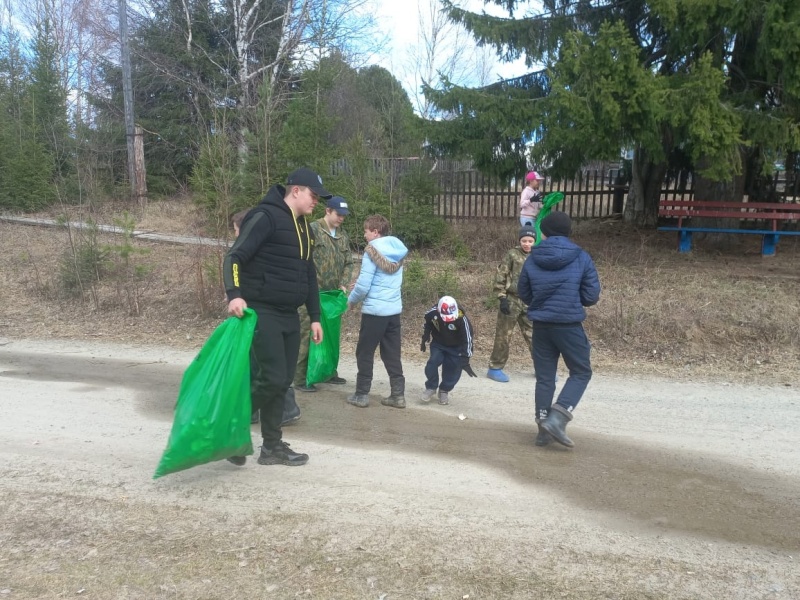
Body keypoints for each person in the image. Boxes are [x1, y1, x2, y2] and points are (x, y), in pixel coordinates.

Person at [222, 167, 331, 467]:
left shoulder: (305, 228)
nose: (316, 203)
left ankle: (271, 447)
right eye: (313, 195)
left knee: (282, 382)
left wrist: (316, 316)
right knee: (270, 377)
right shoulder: (264, 217)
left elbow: (308, 274)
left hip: (289, 315)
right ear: (296, 190)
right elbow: (234, 256)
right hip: (262, 311)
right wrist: (235, 294)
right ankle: (232, 426)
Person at [517, 211, 601, 449]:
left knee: (545, 379)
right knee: (581, 372)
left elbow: (524, 292)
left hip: (541, 326)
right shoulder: (581, 257)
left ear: (543, 232)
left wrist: (541, 303)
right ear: (568, 232)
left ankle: (543, 431)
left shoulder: (533, 257)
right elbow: (591, 295)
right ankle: (557, 418)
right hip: (569, 325)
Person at [346, 214, 408, 409]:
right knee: (391, 354)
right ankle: (398, 396)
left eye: (366, 231)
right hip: (393, 311)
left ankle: (361, 394)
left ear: (375, 232)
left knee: (364, 352)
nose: (364, 235)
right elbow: (383, 281)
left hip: (374, 313)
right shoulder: (397, 250)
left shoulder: (371, 251)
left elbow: (364, 286)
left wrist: (351, 301)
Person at [294, 196, 355, 392]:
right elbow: (302, 259)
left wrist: (344, 284)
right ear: (328, 211)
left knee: (330, 335)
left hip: (332, 297)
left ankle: (328, 372)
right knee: (306, 334)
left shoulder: (342, 235)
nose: (341, 219)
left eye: (344, 216)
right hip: (312, 294)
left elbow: (349, 262)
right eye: (338, 214)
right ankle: (300, 378)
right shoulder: (312, 230)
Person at [487, 226, 536, 383]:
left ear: (535, 241)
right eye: (524, 241)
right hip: (511, 300)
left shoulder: (538, 255)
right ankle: (495, 368)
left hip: (530, 302)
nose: (527, 244)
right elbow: (501, 275)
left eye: (530, 241)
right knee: (503, 335)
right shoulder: (512, 255)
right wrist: (502, 298)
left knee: (535, 336)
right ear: (519, 241)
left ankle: (542, 368)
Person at [420, 296, 477, 406]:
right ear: (439, 310)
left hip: (456, 348)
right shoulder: (432, 313)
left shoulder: (462, 319)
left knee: (453, 369)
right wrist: (425, 335)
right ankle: (431, 387)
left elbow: (468, 339)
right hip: (438, 344)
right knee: (432, 363)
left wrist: (465, 359)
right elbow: (428, 322)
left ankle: (444, 390)